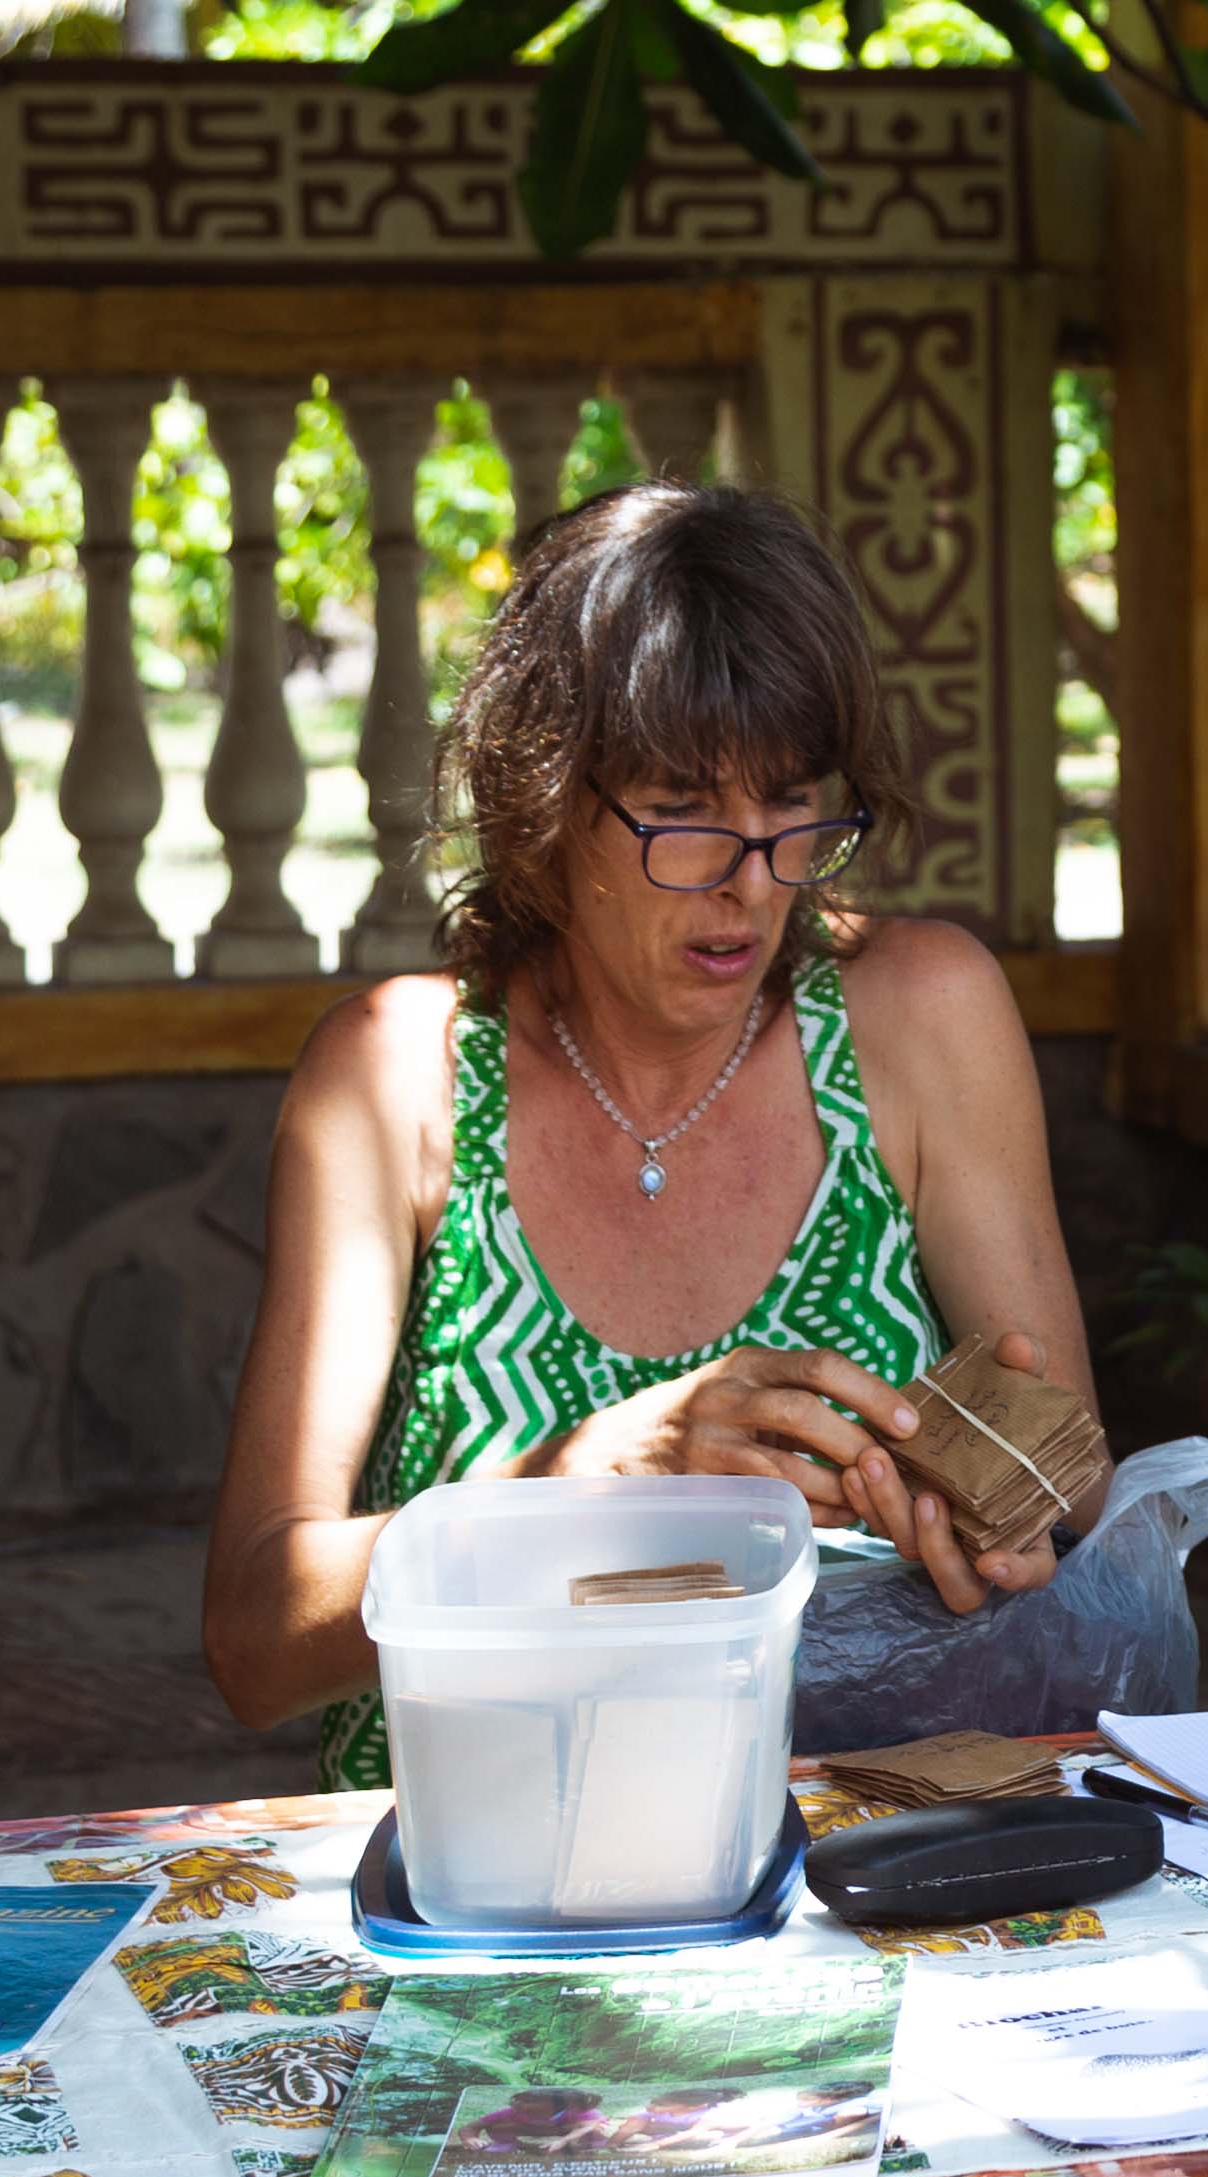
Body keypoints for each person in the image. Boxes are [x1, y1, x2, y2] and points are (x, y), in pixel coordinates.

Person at [204, 478, 1100, 1786]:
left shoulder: (919, 1020)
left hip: (856, 1864)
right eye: (682, 812)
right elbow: (254, 1642)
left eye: (795, 806)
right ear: (546, 800)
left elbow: (1068, 1486)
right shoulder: (398, 1082)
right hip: (486, 1884)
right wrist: (590, 1487)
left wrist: (991, 1516)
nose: (751, 880)